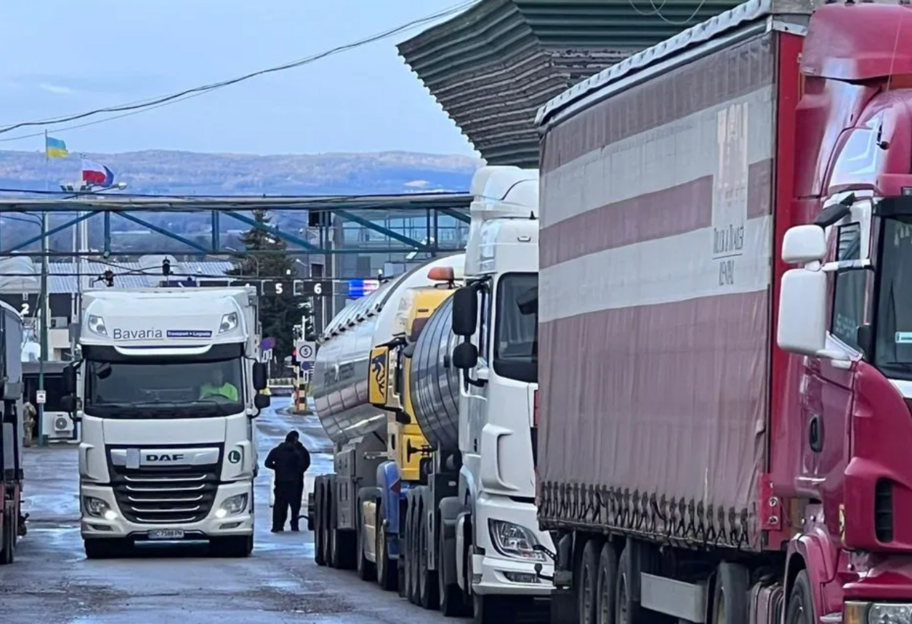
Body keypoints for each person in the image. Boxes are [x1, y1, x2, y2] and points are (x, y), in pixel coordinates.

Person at [265, 430, 311, 532]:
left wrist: (277, 467)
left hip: (280, 482)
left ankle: (277, 525)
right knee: (295, 505)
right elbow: (306, 463)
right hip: (296, 482)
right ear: (296, 439)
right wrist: (299, 472)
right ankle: (294, 524)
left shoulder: (277, 450)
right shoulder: (300, 451)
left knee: (279, 505)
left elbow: (267, 463)